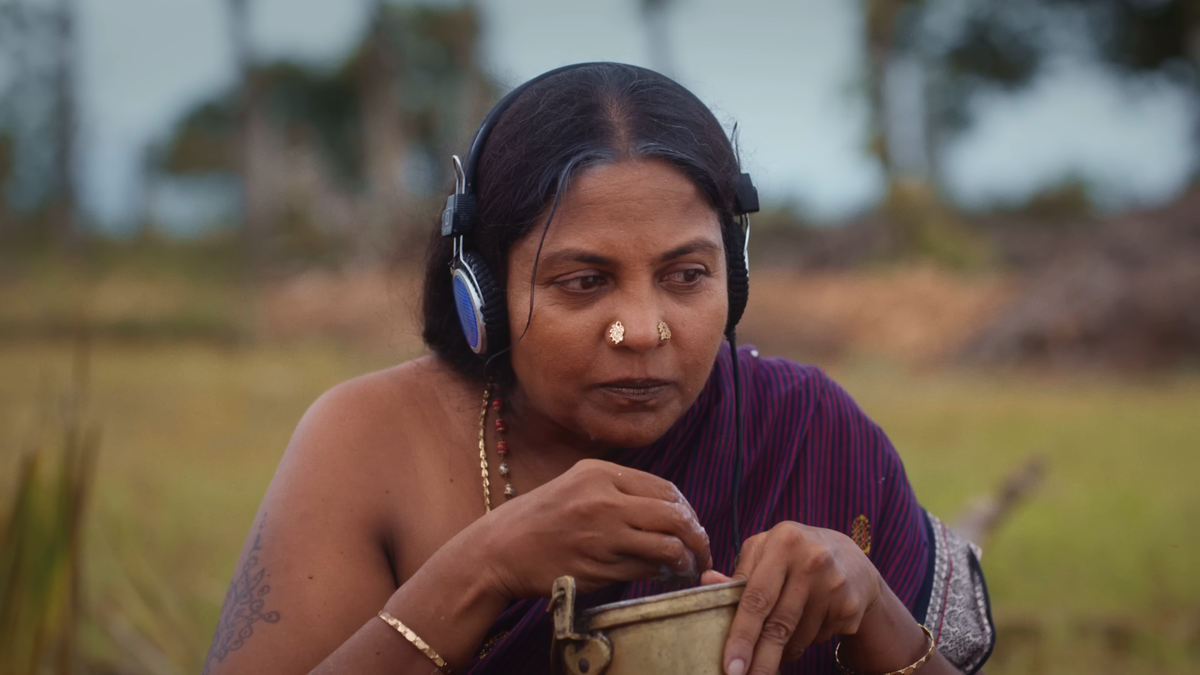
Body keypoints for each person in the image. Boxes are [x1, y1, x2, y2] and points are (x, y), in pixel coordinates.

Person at [203, 62, 994, 675]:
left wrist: (874, 612)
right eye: (583, 282)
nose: (642, 330)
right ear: (482, 290)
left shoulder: (811, 428)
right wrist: (482, 569)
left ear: (737, 276)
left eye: (687, 276)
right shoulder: (367, 440)